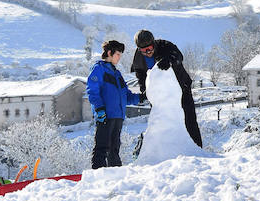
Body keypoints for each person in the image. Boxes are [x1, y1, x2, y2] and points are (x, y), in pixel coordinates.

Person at [130, 30, 203, 148]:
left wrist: (169, 60)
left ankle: (197, 149)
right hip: (160, 97)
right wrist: (145, 90)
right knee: (164, 124)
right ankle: (168, 151)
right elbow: (140, 75)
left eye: (149, 48)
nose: (147, 52)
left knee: (189, 121)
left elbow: (179, 56)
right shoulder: (138, 57)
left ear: (153, 43)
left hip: (181, 89)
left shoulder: (165, 45)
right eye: (143, 50)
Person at [87, 40, 143, 169]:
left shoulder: (117, 74)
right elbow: (92, 91)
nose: (119, 57)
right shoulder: (99, 69)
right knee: (102, 148)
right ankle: (97, 176)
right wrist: (99, 109)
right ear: (109, 53)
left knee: (114, 149)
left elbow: (126, 96)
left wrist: (141, 97)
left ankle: (116, 175)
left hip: (118, 116)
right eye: (118, 54)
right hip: (105, 115)